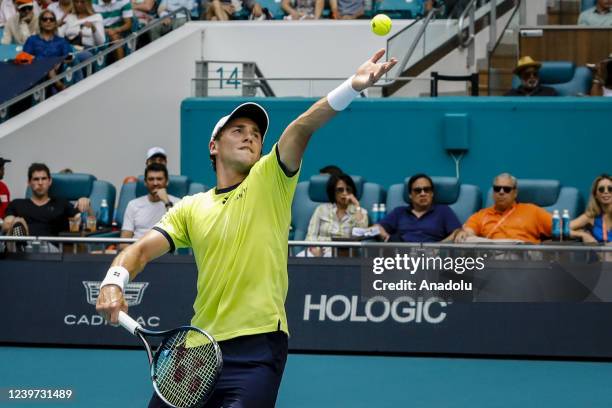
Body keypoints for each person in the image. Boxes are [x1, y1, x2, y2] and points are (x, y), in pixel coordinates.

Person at [95, 49, 397, 408]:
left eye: (255, 133)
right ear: (214, 145)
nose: (250, 136)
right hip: (197, 349)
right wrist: (114, 280)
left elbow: (301, 128)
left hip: (257, 347)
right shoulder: (191, 207)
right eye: (237, 130)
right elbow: (140, 251)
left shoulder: (271, 179)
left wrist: (352, 86)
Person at [454, 173, 552, 244]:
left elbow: (560, 228)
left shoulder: (532, 211)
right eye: (497, 188)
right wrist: (465, 233)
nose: (501, 192)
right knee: (466, 239)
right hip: (493, 259)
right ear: (493, 192)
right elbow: (469, 230)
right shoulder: (482, 215)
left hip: (524, 260)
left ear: (515, 193)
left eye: (507, 189)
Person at [2, 162, 93, 237]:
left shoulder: (61, 204)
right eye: (36, 179)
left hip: (51, 251)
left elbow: (86, 221)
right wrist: (15, 222)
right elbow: (6, 224)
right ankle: (21, 244)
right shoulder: (17, 204)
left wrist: (86, 204)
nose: (40, 183)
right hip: (23, 249)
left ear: (50, 181)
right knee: (16, 223)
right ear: (29, 183)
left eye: (44, 179)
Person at [374, 174, 461, 242]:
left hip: (431, 257)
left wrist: (438, 247)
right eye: (417, 190)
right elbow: (378, 227)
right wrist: (386, 237)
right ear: (410, 195)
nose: (423, 193)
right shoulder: (399, 212)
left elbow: (457, 232)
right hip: (402, 255)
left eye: (427, 189)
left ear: (432, 193)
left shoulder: (443, 211)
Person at [303, 173, 368, 257]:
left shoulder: (360, 212)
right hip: (318, 251)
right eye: (340, 190)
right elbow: (311, 235)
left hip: (343, 254)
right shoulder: (321, 209)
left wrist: (357, 206)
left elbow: (362, 234)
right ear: (333, 191)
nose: (345, 193)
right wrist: (315, 250)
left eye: (348, 190)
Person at [120, 163, 179, 245]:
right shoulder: (133, 205)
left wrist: (166, 202)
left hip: (165, 253)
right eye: (151, 179)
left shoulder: (178, 203)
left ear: (167, 181)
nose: (155, 183)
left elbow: (178, 230)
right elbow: (124, 242)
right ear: (145, 182)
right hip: (137, 252)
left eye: (159, 179)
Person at [23, 9, 75, 92]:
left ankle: (58, 85)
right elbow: (25, 58)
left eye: (51, 19)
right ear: (40, 22)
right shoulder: (32, 40)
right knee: (48, 66)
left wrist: (59, 61)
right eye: (45, 19)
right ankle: (60, 86)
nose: (48, 21)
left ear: (55, 23)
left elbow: (70, 56)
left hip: (56, 72)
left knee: (50, 68)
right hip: (36, 72)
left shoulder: (61, 41)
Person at [570, 174, 612, 243]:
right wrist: (583, 235)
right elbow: (560, 229)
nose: (606, 191)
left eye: (610, 189)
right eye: (601, 189)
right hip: (599, 253)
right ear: (595, 195)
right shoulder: (591, 217)